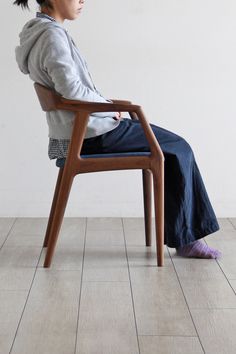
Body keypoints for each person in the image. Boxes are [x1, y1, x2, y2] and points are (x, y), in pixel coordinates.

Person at [14, 0, 221, 258]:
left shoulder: (38, 33)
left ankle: (186, 235)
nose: (82, 1)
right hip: (91, 135)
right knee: (178, 148)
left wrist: (108, 106)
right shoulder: (52, 36)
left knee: (171, 147)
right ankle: (187, 239)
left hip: (82, 131)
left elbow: (70, 91)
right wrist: (111, 109)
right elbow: (72, 90)